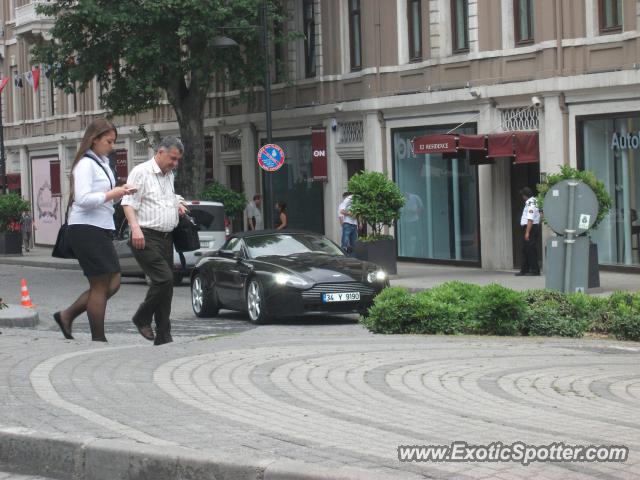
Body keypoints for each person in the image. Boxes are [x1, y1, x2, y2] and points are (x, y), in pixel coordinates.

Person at [53, 118, 134, 342]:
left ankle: (67, 315)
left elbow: (103, 199)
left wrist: (121, 192)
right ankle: (98, 337)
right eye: (109, 141)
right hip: (86, 228)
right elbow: (83, 199)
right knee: (100, 284)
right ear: (95, 139)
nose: (112, 145)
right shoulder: (85, 164)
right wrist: (113, 193)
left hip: (100, 226)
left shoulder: (102, 162)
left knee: (114, 281)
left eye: (114, 141)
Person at [121, 137, 186, 345]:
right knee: (164, 279)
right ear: (160, 152)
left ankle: (164, 336)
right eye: (173, 159)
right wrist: (135, 229)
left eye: (177, 160)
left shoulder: (169, 175)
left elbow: (166, 197)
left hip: (166, 237)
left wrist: (178, 203)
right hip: (146, 235)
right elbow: (128, 203)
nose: (175, 164)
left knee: (167, 288)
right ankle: (141, 317)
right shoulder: (141, 172)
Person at [516, 186, 541, 276]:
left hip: (530, 228)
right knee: (527, 249)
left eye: (522, 195)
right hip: (533, 227)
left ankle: (535, 270)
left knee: (530, 250)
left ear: (525, 195)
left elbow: (530, 219)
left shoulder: (531, 203)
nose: (522, 197)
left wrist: (527, 232)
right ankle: (525, 269)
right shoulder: (535, 201)